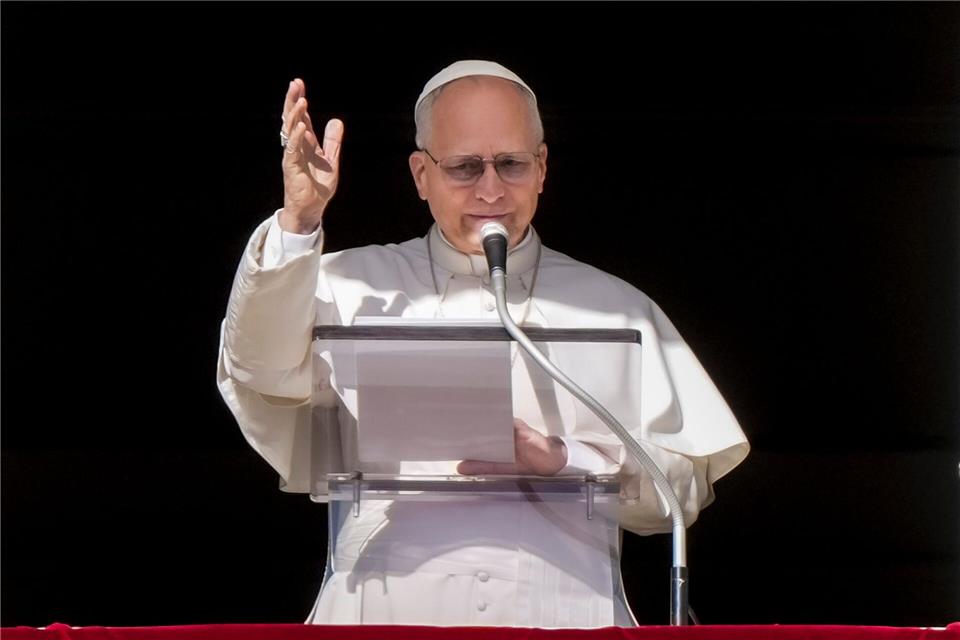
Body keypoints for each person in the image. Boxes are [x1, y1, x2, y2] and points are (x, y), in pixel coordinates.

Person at [217, 60, 749, 627]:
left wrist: (568, 461)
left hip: (564, 613)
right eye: (466, 167)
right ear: (421, 175)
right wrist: (299, 222)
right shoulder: (346, 285)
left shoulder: (615, 308)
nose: (491, 189)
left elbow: (681, 494)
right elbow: (262, 374)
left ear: (542, 168)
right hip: (383, 610)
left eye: (512, 164)